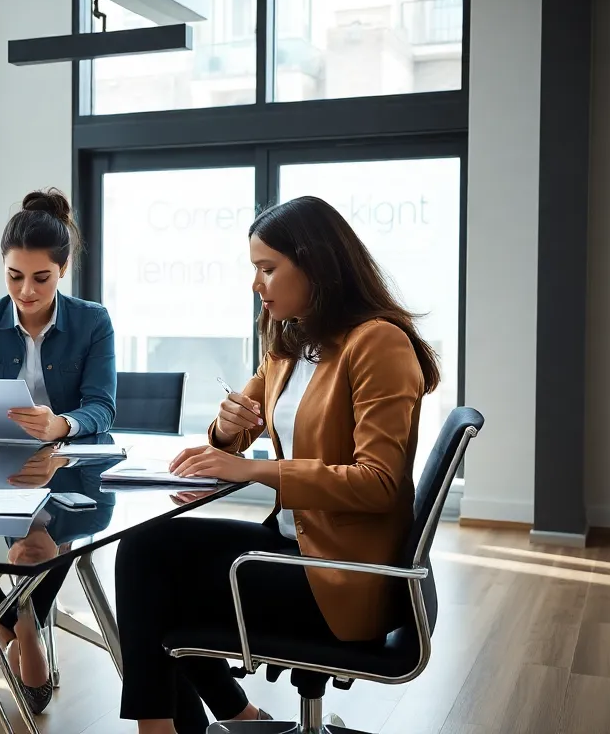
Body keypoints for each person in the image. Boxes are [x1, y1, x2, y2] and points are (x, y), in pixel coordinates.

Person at [113, 196, 441, 734]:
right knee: (147, 550)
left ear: (315, 264)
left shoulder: (378, 343)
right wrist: (226, 426)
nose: (256, 284)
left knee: (156, 579)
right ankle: (204, 720)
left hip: (340, 579)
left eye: (268, 268)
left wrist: (256, 471)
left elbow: (379, 485)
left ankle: (179, 725)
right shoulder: (293, 342)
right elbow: (233, 436)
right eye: (255, 269)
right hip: (296, 548)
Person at [0, 187, 117, 713]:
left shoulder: (92, 321)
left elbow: (102, 408)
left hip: (69, 471)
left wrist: (61, 423)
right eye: (14, 277)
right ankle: (23, 621)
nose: (26, 292)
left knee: (48, 532)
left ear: (63, 269)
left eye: (40, 278)